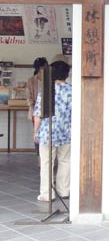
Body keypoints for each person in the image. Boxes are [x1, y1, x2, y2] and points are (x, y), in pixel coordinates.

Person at [33, 60, 72, 201]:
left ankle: (47, 194)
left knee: (46, 163)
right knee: (65, 161)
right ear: (66, 75)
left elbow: (38, 114)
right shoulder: (72, 90)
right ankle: (64, 191)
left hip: (47, 133)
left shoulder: (46, 90)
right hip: (67, 132)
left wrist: (35, 131)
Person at [26, 57, 47, 159]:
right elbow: (29, 96)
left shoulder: (49, 79)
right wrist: (32, 106)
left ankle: (45, 156)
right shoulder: (31, 80)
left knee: (46, 132)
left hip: (48, 110)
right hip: (35, 111)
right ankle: (39, 157)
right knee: (37, 134)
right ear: (38, 68)